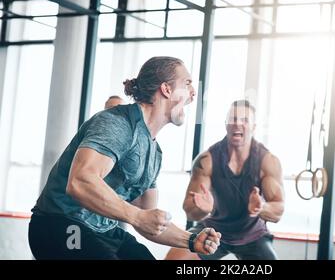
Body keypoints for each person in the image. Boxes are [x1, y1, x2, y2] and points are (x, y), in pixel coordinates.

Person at [28, 56, 221, 260]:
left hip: (102, 231)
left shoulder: (154, 153)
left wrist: (191, 240)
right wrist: (137, 216)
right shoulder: (117, 124)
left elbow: (150, 221)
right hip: (60, 225)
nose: (193, 94)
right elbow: (79, 182)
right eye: (187, 83)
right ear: (166, 89)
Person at [165, 100, 284, 260]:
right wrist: (203, 209)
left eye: (245, 120)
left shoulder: (267, 161)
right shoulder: (207, 160)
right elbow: (189, 211)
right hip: (214, 231)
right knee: (176, 258)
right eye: (233, 119)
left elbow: (278, 210)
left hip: (252, 235)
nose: (237, 124)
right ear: (226, 124)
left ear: (254, 127)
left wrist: (261, 207)